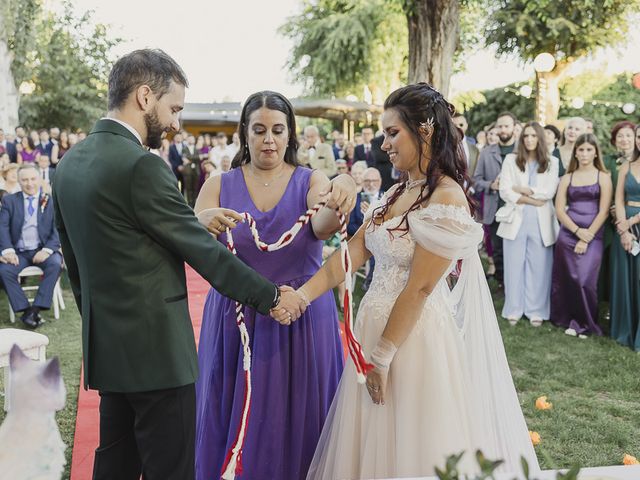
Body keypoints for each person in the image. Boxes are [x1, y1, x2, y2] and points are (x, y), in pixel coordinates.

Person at [52, 49, 305, 480]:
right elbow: (205, 255)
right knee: (171, 470)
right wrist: (271, 295)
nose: (176, 123)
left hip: (108, 351)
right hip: (159, 357)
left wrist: (192, 221)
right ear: (145, 97)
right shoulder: (142, 167)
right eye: (174, 109)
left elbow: (79, 264)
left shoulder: (68, 165)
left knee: (114, 465)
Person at [300, 83, 539, 479]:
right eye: (384, 134)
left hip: (412, 341)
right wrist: (303, 295)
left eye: (393, 132)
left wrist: (382, 356)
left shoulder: (446, 197)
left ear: (424, 131)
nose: (385, 143)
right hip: (373, 328)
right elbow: (355, 251)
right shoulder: (396, 192)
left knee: (413, 444)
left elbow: (421, 287)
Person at [193, 90, 356, 480]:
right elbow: (189, 242)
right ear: (244, 134)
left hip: (299, 313)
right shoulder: (219, 184)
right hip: (237, 318)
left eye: (278, 130)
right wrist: (200, 222)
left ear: (290, 135)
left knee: (301, 413)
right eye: (259, 130)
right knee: (232, 413)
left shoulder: (310, 179)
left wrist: (343, 188)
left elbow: (322, 225)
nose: (269, 139)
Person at [497, 122, 559, 326]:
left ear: (540, 138)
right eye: (526, 136)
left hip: (541, 223)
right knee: (513, 266)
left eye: (534, 136)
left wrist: (521, 189)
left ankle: (536, 310)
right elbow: (505, 190)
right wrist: (532, 197)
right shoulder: (511, 160)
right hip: (516, 220)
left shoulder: (552, 162)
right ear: (522, 139)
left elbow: (548, 192)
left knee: (539, 267)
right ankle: (513, 308)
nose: (530, 139)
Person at [551, 133, 611, 337]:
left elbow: (603, 211)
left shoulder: (603, 177)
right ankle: (568, 319)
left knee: (585, 280)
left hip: (593, 234)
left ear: (595, 153)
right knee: (567, 278)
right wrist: (576, 232)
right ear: (575, 152)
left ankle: (586, 323)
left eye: (588, 149)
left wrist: (587, 236)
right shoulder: (567, 177)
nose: (584, 153)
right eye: (581, 149)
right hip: (568, 233)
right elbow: (559, 209)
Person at [0, 165, 62, 329]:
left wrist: (47, 250)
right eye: (25, 180)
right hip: (18, 252)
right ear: (19, 182)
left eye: (33, 179)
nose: (29, 183)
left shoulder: (49, 200)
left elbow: (58, 228)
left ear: (39, 180)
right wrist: (7, 250)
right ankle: (26, 310)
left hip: (43, 250)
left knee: (56, 264)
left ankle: (35, 309)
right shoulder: (9, 201)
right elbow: (3, 227)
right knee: (4, 270)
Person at [472, 112, 518, 287]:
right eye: (500, 126)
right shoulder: (486, 152)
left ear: (514, 127)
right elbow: (476, 180)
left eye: (507, 126)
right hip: (494, 209)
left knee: (515, 250)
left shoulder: (521, 150)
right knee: (498, 250)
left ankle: (515, 285)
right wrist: (491, 185)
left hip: (516, 209)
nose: (503, 129)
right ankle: (501, 283)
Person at [609, 124, 640, 352]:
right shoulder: (626, 166)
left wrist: (631, 222)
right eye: (639, 136)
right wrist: (623, 230)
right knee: (625, 278)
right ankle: (625, 331)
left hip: (634, 222)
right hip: (625, 228)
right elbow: (619, 199)